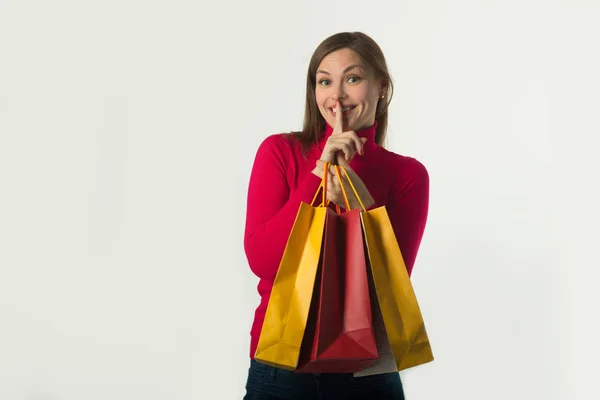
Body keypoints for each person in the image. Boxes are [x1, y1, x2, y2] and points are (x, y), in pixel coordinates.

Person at [242, 31, 430, 400]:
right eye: (324, 81)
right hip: (282, 368)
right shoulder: (280, 151)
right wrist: (317, 176)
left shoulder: (407, 174)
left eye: (353, 79)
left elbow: (390, 284)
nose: (337, 95)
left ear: (382, 88)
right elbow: (264, 262)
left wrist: (361, 207)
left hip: (367, 375)